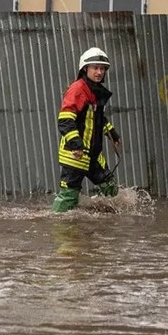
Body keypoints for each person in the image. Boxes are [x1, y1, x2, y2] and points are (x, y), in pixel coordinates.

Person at [52, 46, 123, 213]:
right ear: (85, 69)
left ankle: (113, 221)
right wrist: (76, 145)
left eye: (102, 69)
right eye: (95, 68)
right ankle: (57, 223)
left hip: (92, 155)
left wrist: (112, 134)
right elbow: (65, 120)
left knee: (112, 191)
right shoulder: (78, 89)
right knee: (69, 197)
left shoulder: (94, 91)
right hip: (75, 155)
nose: (99, 72)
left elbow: (97, 119)